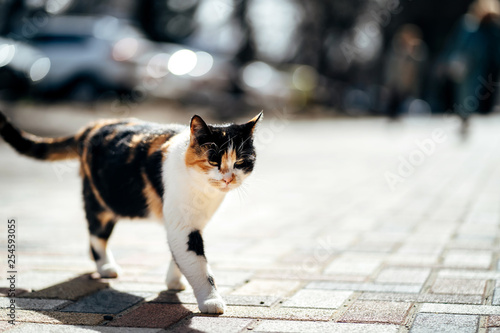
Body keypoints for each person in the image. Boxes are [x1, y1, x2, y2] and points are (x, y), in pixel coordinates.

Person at [384, 24, 428, 120]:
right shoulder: (396, 49)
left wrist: (412, 51)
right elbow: (390, 68)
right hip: (397, 87)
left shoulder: (419, 50)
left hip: (412, 89)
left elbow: (421, 66)